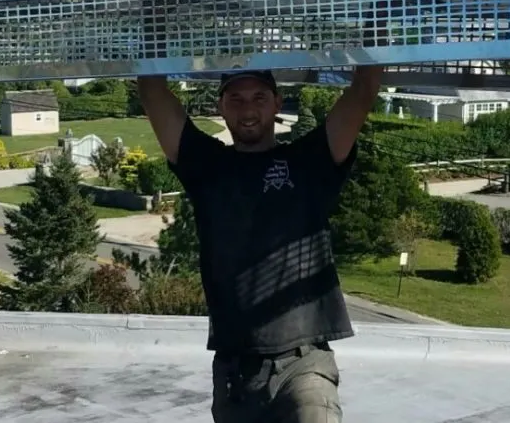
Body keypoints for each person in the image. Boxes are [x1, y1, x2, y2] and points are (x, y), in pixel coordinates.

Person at [138, 66, 384, 423]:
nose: (247, 109)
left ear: (277, 103)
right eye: (235, 98)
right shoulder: (207, 166)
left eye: (259, 98)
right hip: (234, 375)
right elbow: (151, 90)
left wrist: (377, 14)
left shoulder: (310, 162)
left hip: (304, 366)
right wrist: (154, 13)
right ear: (220, 106)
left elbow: (363, 91)